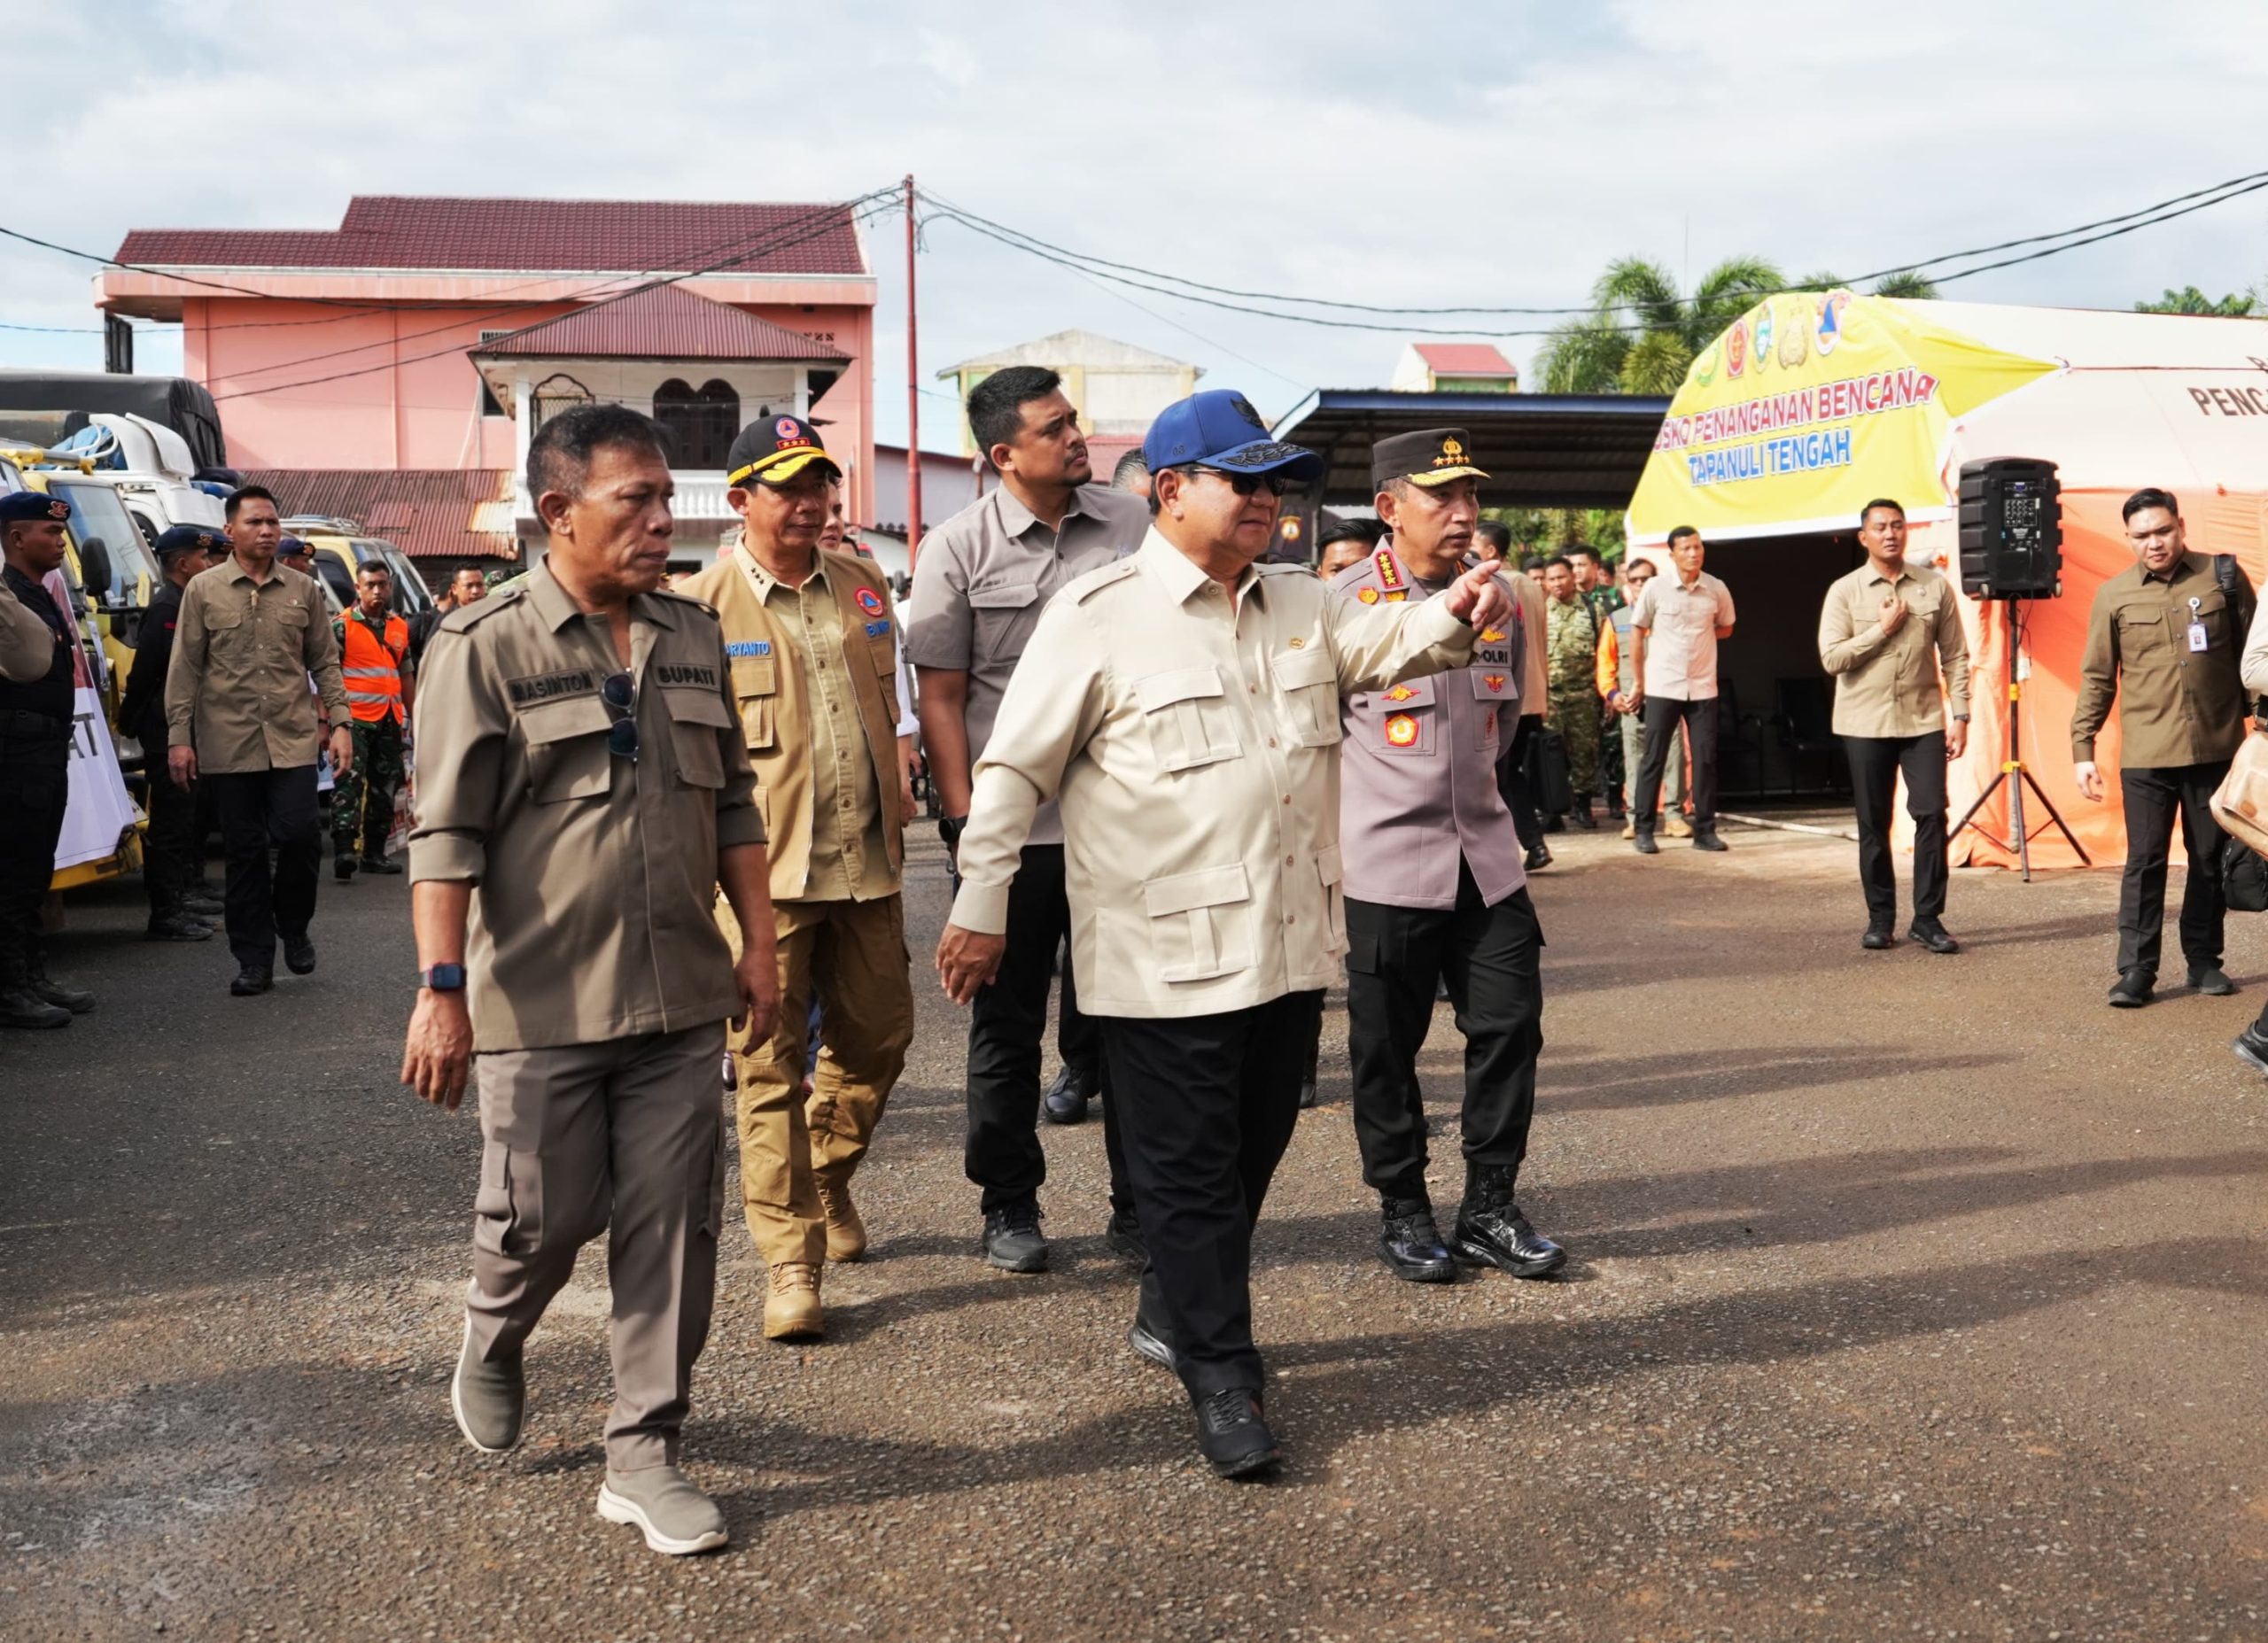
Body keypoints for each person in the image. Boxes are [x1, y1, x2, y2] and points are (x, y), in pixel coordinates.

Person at [934, 390, 1517, 1477]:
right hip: (1160, 959)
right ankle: (1223, 1371)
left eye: (1273, 483)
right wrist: (981, 902)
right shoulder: (1096, 613)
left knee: (1252, 1152)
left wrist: (1455, 608)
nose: (1265, 501)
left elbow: (1390, 642)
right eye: (1239, 482)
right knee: (1192, 1176)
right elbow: (1013, 767)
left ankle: (1173, 1304)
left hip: (1286, 946)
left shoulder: (1301, 600)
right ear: (1170, 491)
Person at [401, 404, 777, 1558]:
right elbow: (445, 833)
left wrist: (759, 945)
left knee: (672, 1228)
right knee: (540, 1223)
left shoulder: (693, 631)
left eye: (671, 498)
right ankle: (495, 1332)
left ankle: (645, 1450)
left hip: (677, 995)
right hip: (544, 1001)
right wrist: (441, 987)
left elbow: (730, 803)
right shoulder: (483, 645)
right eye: (638, 502)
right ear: (558, 511)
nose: (667, 521)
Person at [905, 364, 1148, 1270]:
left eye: (1074, 420)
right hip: (1013, 836)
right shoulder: (956, 548)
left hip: (1120, 831)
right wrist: (971, 831)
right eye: (1055, 429)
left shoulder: (1131, 528)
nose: (1077, 437)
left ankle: (1138, 1207)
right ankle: (1008, 1201)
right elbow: (942, 697)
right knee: (1005, 1029)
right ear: (1005, 454)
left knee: (1130, 1026)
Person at [676, 415, 913, 1343]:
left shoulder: (862, 585)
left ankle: (826, 1176)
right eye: (788, 487)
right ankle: (790, 1260)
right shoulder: (698, 609)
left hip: (867, 864)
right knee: (766, 1066)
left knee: (882, 1039)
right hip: (759, 882)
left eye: (820, 483)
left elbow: (883, 716)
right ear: (741, 501)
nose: (811, 502)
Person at [1332, 431, 1560, 1285]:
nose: (1465, 513)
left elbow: (1503, 733)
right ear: (1390, 508)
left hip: (1487, 858)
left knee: (1510, 1027)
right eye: (1443, 497)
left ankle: (1489, 1205)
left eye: (1471, 496)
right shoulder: (1345, 603)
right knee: (1386, 1046)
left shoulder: (1503, 598)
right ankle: (1402, 1206)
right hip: (1386, 864)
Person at [165, 486, 353, 996]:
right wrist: (178, 738)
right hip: (227, 742)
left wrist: (340, 723)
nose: (268, 530)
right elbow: (185, 667)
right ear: (231, 531)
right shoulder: (203, 590)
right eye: (255, 523)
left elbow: (324, 661)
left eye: (273, 521)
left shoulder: (302, 589)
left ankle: (293, 927)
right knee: (245, 853)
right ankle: (253, 959)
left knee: (299, 836)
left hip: (292, 739)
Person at [2072, 487, 2254, 1008]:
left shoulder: (2221, 577)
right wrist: (2082, 748)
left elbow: (2255, 658)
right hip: (2147, 756)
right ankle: (2136, 970)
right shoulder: (2114, 595)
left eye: (2163, 531)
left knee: (2207, 858)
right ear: (2128, 539)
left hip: (2217, 751)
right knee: (2145, 861)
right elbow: (2097, 678)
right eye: (2142, 536)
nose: (2155, 543)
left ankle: (2203, 962)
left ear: (2180, 526)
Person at [1818, 500, 1970, 953]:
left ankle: (1928, 919)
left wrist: (1960, 714)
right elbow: (1832, 658)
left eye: (1898, 525)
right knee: (1874, 822)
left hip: (1922, 720)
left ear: (1907, 532)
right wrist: (1881, 630)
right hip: (1864, 722)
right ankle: (1880, 919)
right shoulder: (1844, 592)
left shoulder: (1933, 587)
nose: (1890, 534)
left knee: (1931, 815)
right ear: (1863, 537)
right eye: (1880, 527)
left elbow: (1957, 655)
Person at [0, 492, 97, 1027]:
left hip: (44, 747)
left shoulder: (38, 592)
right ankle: (11, 988)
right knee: (15, 871)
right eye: (50, 533)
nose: (60, 542)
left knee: (36, 869)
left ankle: (31, 973)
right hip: (16, 750)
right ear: (17, 538)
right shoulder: (7, 595)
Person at [120, 525, 221, 941]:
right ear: (183, 564)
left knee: (185, 819)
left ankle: (179, 898)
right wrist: (129, 720)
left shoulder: (186, 601)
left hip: (185, 724)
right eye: (202, 558)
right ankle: (165, 912)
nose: (209, 564)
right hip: (165, 727)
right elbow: (147, 671)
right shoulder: (167, 606)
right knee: (170, 822)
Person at [1628, 525, 1736, 854]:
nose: (1694, 553)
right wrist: (1639, 681)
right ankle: (1644, 828)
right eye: (1686, 548)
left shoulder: (1716, 588)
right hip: (1663, 684)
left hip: (1703, 686)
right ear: (1672, 554)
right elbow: (1637, 632)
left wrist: (1698, 638)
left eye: (1698, 547)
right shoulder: (1656, 588)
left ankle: (1705, 831)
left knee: (1704, 759)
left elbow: (1727, 627)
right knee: (1654, 758)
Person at [330, 562, 414, 880]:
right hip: (354, 721)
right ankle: (344, 851)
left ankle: (374, 854)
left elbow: (405, 674)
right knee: (348, 784)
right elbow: (329, 676)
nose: (377, 591)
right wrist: (330, 720)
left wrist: (414, 715)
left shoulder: (398, 627)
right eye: (370, 585)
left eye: (382, 584)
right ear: (358, 588)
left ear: (390, 587)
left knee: (385, 787)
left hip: (389, 719)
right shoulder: (342, 626)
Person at [1478, 523, 1551, 870]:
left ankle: (1524, 846)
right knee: (1509, 773)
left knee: (1501, 776)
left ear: (1491, 552)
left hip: (1507, 692)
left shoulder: (1501, 585)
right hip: (1530, 692)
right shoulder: (1533, 585)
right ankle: (1531, 844)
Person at [1597, 557, 1687, 840]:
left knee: (1674, 757)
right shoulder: (1616, 620)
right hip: (1630, 705)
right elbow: (1605, 663)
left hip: (1668, 698)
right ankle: (1636, 818)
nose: (1639, 584)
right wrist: (1612, 695)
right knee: (1634, 760)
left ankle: (1674, 816)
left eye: (1645, 579)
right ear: (1627, 583)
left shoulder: (1671, 616)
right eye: (1634, 580)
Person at [1540, 554, 1604, 830]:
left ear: (1572, 577)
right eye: (1551, 579)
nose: (1557, 584)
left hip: (1583, 696)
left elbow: (1604, 653)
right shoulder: (1540, 610)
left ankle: (1583, 806)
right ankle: (1553, 811)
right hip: (1550, 697)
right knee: (1550, 755)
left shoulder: (1592, 609)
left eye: (1561, 577)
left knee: (1584, 753)